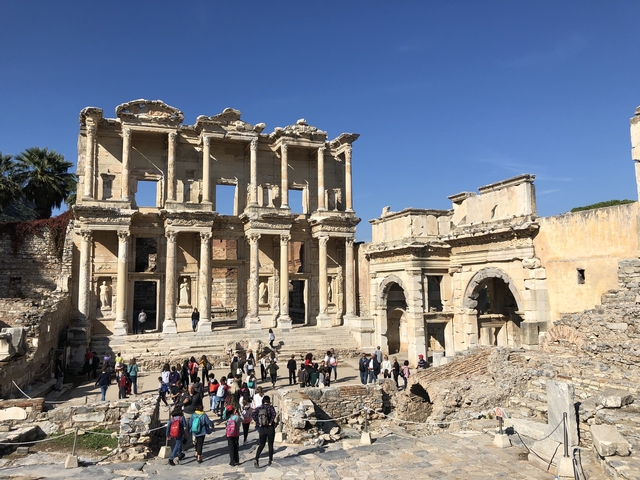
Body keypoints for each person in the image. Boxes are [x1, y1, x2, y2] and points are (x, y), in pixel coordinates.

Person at [252, 395, 277, 468]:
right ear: (269, 401)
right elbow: (274, 414)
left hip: (262, 428)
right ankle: (270, 460)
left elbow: (253, 415)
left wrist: (258, 422)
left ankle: (256, 458)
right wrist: (271, 422)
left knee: (261, 444)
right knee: (270, 444)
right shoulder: (270, 407)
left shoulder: (259, 408)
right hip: (270, 428)